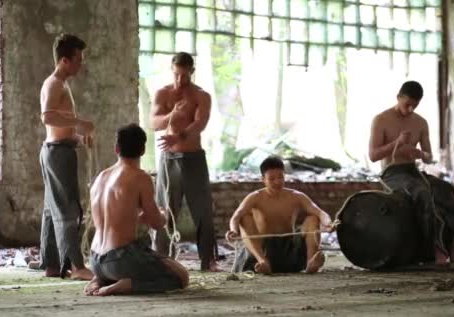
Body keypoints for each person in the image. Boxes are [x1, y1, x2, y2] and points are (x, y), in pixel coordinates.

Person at [368, 80, 454, 266]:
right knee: (423, 193)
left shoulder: (420, 123)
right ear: (398, 98)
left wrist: (420, 154)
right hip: (392, 173)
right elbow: (373, 155)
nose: (410, 109)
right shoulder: (381, 120)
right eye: (407, 104)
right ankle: (435, 250)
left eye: (415, 105)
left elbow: (429, 157)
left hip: (413, 172)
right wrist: (396, 143)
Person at [84, 124, 189, 296]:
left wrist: (140, 216)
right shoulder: (140, 177)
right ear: (142, 150)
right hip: (120, 260)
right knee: (181, 277)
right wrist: (162, 214)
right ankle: (122, 285)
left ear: (116, 148)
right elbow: (156, 223)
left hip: (95, 260)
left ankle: (101, 279)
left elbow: (115, 217)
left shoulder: (101, 177)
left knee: (141, 255)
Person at [150, 52, 219, 271]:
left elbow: (200, 123)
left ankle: (208, 260)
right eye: (177, 74)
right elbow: (154, 123)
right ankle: (162, 259)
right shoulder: (162, 93)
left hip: (194, 158)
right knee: (164, 209)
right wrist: (172, 116)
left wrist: (178, 136)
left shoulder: (201, 96)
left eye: (185, 74)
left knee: (203, 209)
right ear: (172, 70)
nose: (181, 79)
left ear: (192, 71)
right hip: (169, 158)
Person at [39, 33, 94, 280]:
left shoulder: (61, 85)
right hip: (57, 153)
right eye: (78, 59)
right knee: (67, 209)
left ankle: (51, 264)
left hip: (60, 148)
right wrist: (80, 123)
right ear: (64, 60)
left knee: (52, 209)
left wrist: (79, 137)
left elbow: (59, 126)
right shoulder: (53, 84)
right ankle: (75, 266)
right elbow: (48, 117)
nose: (81, 64)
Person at [226, 156, 332, 274]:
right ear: (263, 179)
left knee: (312, 218)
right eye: (272, 178)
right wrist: (233, 231)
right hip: (263, 247)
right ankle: (263, 262)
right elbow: (236, 216)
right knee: (244, 218)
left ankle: (310, 262)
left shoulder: (296, 196)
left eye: (280, 177)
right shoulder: (255, 197)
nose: (277, 182)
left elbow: (320, 212)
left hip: (289, 247)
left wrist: (328, 223)